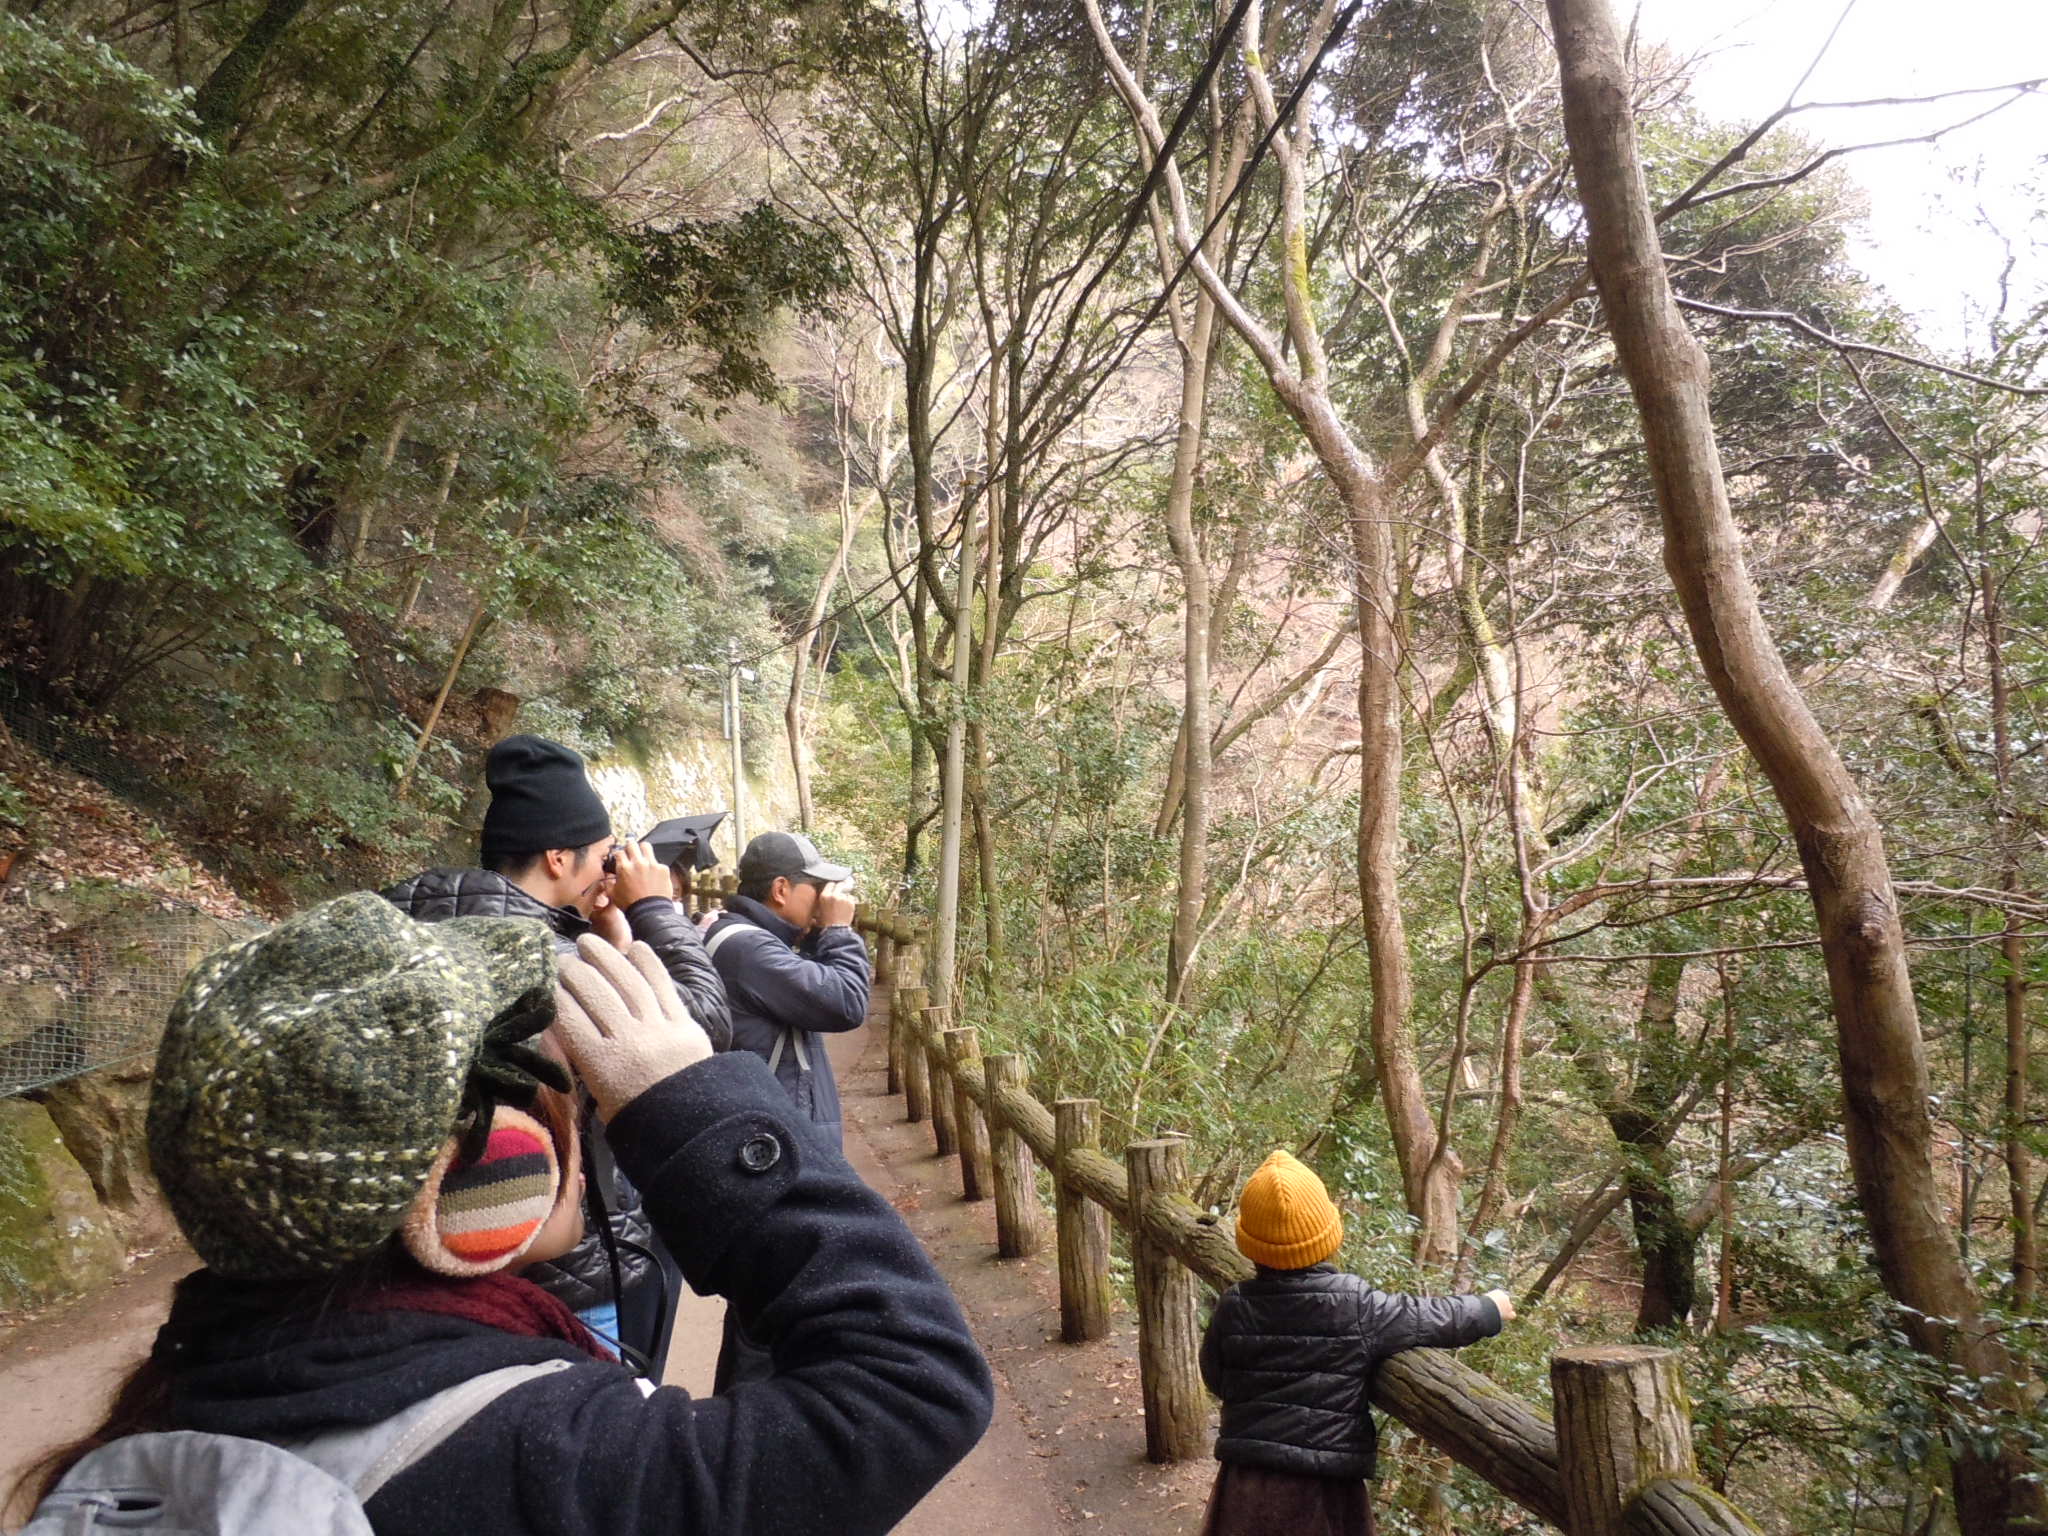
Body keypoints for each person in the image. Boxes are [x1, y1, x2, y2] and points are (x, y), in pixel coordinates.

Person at [20, 895, 994, 1535]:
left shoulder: (167, 1412)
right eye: (581, 1097)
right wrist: (685, 1102)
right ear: (490, 1178)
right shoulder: (541, 1456)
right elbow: (915, 1387)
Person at [383, 733, 730, 1354]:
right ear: (557, 858)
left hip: (421, 1258)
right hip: (562, 1273)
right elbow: (701, 1028)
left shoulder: (407, 928)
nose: (609, 868)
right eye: (601, 853)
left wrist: (605, 934)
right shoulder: (552, 961)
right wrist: (655, 908)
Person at [1198, 1150, 1515, 1536]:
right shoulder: (1354, 1304)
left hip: (1245, 1481)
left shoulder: (1235, 1304)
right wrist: (1489, 1309)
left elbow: (1215, 1376)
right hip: (1325, 1486)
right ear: (1328, 1234)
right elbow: (1427, 1317)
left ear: (1251, 1244)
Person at [702, 830, 871, 1152]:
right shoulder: (748, 948)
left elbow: (810, 982)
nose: (824, 898)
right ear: (781, 889)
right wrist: (838, 931)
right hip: (776, 1144)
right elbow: (847, 1002)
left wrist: (813, 934)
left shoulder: (749, 939)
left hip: (770, 1132)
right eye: (817, 888)